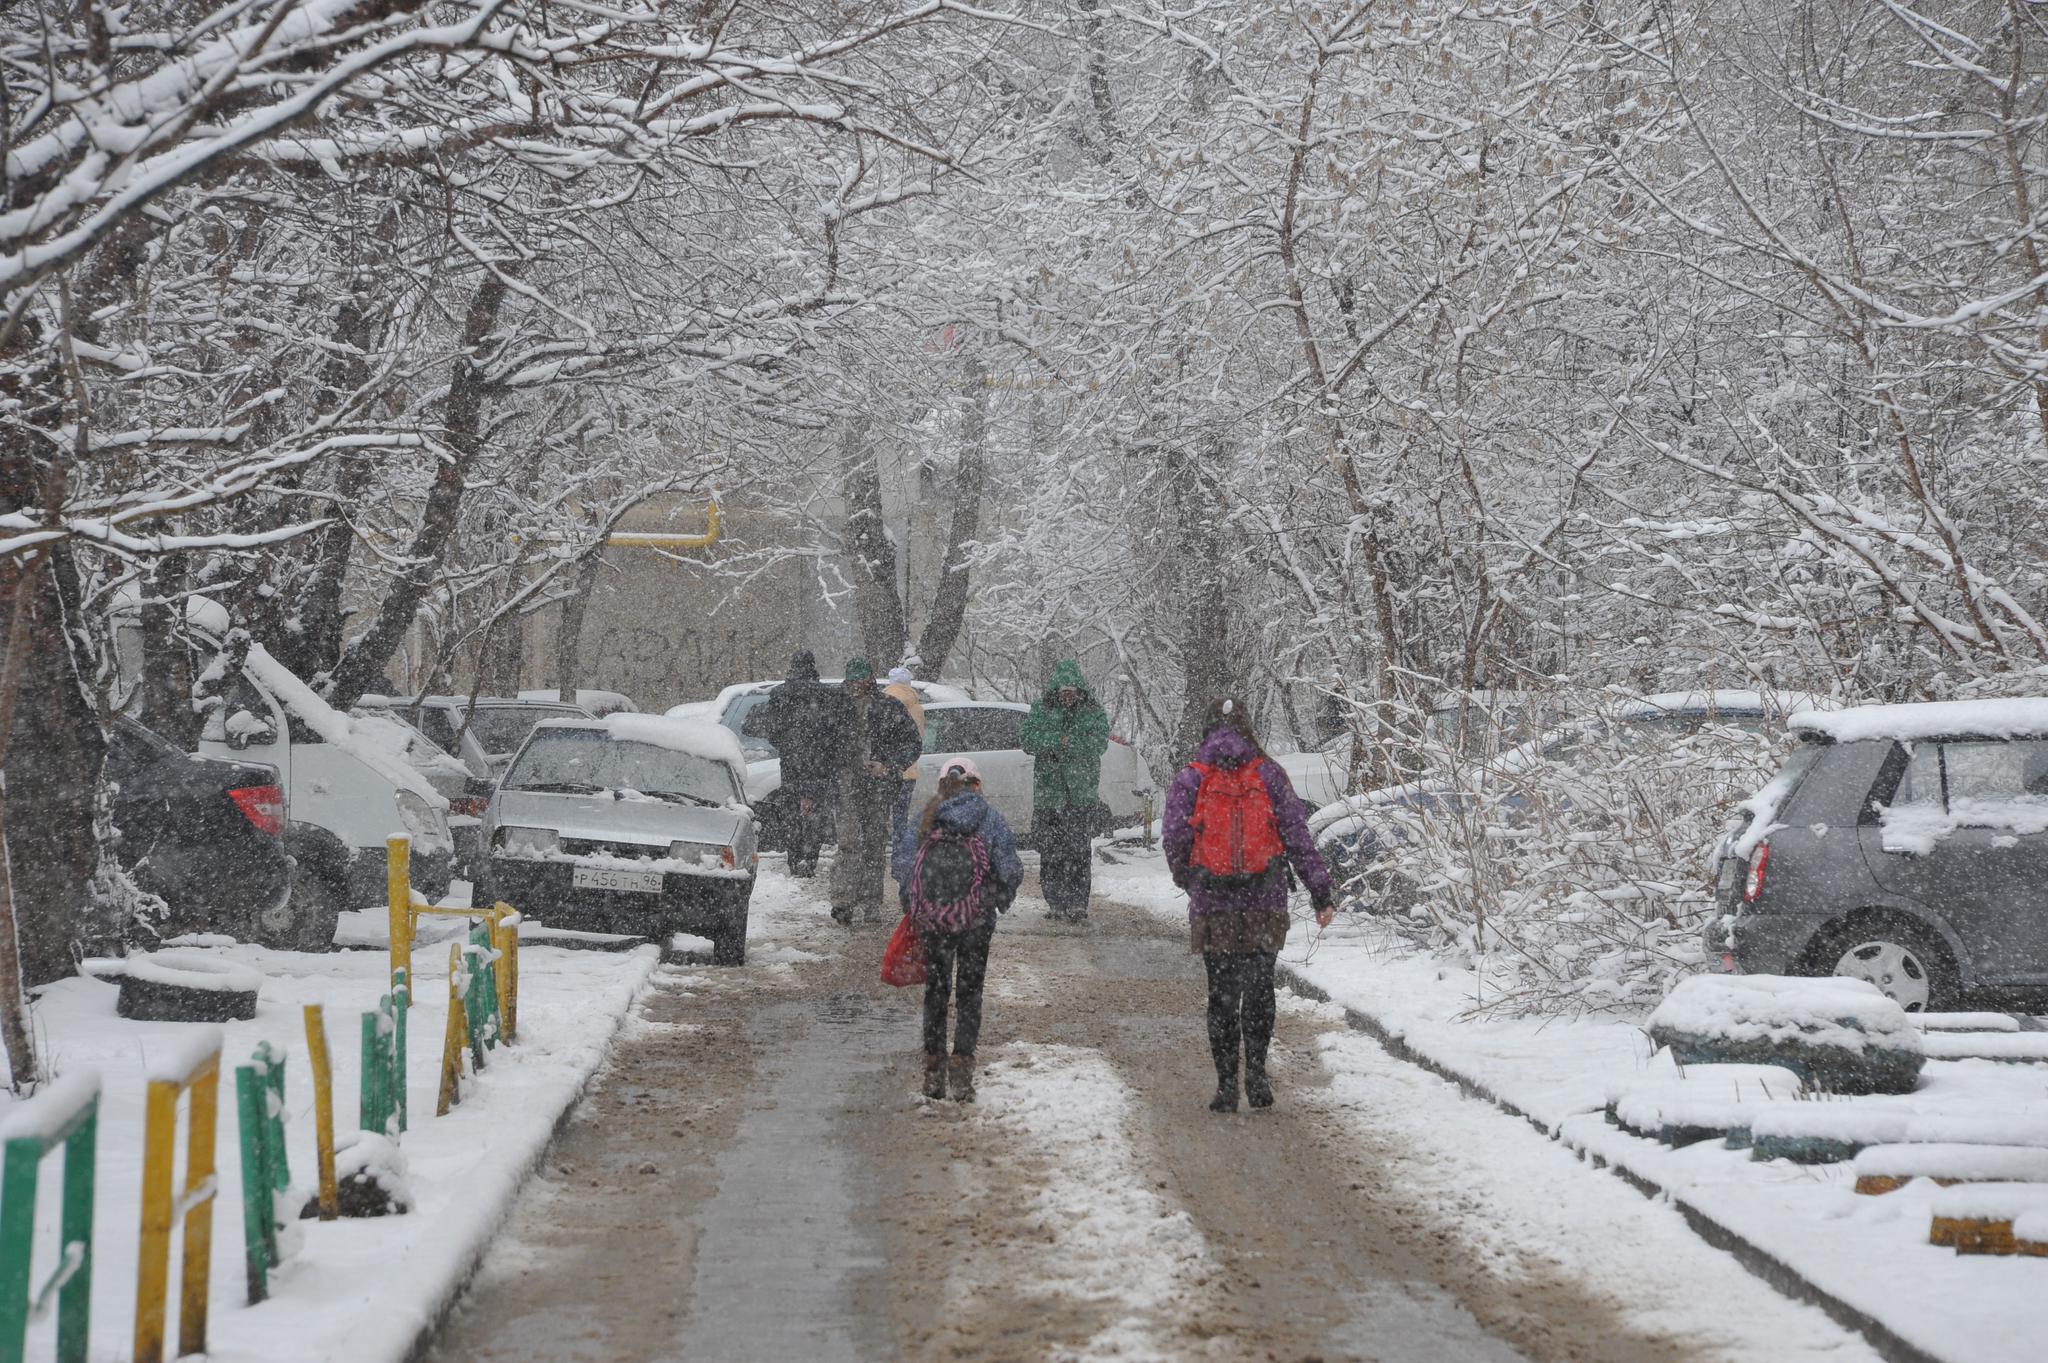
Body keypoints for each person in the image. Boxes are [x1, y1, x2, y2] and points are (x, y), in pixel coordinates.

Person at [1164, 698, 1334, 1113]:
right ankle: (1256, 1075)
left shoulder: (1192, 777)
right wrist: (1320, 890)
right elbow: (1296, 834)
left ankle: (1226, 1086)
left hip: (1214, 904)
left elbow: (1173, 839)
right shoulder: (1269, 774)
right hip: (1265, 898)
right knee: (1259, 989)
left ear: (1206, 731)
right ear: (1247, 727)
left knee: (1221, 994)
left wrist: (1194, 880)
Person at [894, 757, 1023, 1102]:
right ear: (977, 785)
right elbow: (1010, 868)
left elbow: (905, 865)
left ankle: (933, 1072)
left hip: (934, 920)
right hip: (976, 920)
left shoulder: (926, 817)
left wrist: (914, 905)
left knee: (936, 992)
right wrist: (993, 898)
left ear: (942, 785)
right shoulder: (990, 819)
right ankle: (963, 1072)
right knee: (970, 993)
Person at [829, 657, 923, 923]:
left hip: (878, 787)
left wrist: (887, 766)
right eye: (854, 679)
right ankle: (843, 901)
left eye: (863, 679)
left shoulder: (888, 707)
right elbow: (820, 747)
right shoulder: (835, 706)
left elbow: (912, 744)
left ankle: (871, 902)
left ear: (870, 678)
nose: (858, 685)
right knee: (849, 843)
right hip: (845, 784)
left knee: (873, 844)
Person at [1018, 659, 1110, 922]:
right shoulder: (1042, 709)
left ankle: (1078, 903)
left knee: (1079, 851)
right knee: (1051, 852)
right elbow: (1027, 739)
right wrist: (1058, 741)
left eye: (1071, 691)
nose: (1067, 696)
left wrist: (1070, 745)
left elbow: (1099, 743)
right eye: (1063, 692)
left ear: (1079, 691)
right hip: (1049, 795)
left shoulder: (1093, 712)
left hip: (1080, 796)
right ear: (1056, 691)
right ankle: (1056, 902)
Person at [750, 650, 848, 878]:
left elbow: (772, 728)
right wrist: (825, 748)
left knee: (792, 811)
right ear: (813, 666)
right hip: (820, 761)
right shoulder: (826, 694)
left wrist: (786, 744)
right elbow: (834, 730)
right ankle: (810, 857)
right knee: (815, 809)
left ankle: (795, 858)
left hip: (792, 760)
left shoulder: (780, 694)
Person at [882, 664, 927, 860]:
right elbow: (919, 737)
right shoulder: (916, 706)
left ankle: (876, 852)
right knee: (901, 815)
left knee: (880, 813)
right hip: (907, 769)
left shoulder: (881, 702)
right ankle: (899, 855)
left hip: (883, 767)